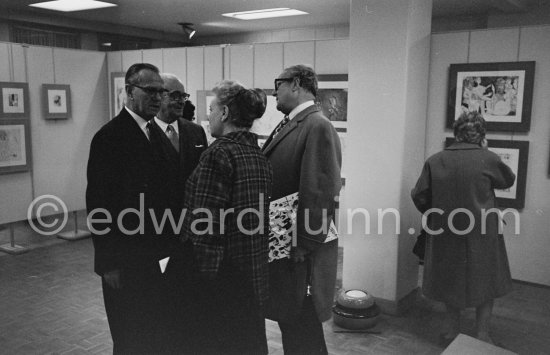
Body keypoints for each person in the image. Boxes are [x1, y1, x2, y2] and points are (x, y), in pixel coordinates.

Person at [86, 63, 177, 353]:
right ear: (129, 92)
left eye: (161, 92)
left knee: (156, 329)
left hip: (158, 253)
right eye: (150, 91)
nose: (157, 98)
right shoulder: (109, 138)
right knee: (128, 335)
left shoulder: (158, 134)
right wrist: (108, 262)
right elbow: (99, 204)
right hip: (125, 257)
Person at [181, 80, 272, 354]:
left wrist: (201, 285)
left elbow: (206, 225)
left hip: (223, 277)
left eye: (211, 109)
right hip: (250, 270)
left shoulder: (218, 153)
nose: (207, 115)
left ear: (223, 113)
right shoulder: (257, 154)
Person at [411, 111, 516, 345]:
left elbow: (419, 195)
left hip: (446, 229)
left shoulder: (435, 160)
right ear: (482, 136)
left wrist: (435, 213)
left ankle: (451, 331)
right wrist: (485, 149)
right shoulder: (488, 158)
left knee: (450, 278)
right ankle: (482, 333)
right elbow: (507, 180)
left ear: (456, 134)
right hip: (483, 231)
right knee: (486, 280)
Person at [262, 64, 342, 354]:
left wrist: (305, 244)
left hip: (298, 249)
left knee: (301, 323)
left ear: (295, 84)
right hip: (285, 244)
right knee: (293, 320)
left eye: (278, 84)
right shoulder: (294, 123)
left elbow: (319, 192)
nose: (274, 92)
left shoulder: (316, 125)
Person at [147, 73, 208, 352]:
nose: (181, 101)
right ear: (158, 96)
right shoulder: (142, 134)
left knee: (190, 306)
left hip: (191, 235)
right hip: (156, 235)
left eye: (183, 96)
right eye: (174, 96)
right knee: (160, 308)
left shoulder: (195, 132)